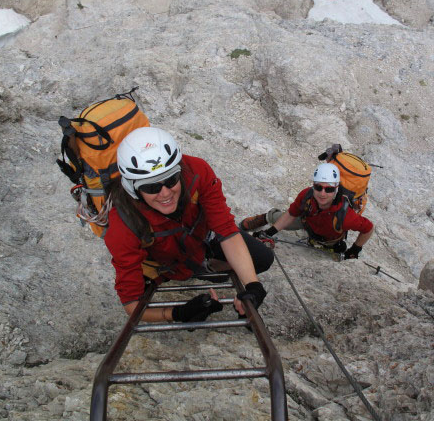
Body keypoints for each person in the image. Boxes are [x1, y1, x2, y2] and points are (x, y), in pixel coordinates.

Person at [104, 127, 273, 323]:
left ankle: (209, 267)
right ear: (133, 189)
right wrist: (177, 314)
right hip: (165, 263)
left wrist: (253, 286)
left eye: (171, 180)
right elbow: (131, 305)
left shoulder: (197, 171)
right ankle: (202, 269)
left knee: (263, 258)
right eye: (151, 187)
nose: (165, 193)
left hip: (200, 241)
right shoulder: (123, 225)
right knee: (212, 272)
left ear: (180, 171)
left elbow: (226, 231)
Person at [240, 163, 374, 259]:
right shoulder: (307, 195)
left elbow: (368, 228)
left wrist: (356, 248)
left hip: (328, 237)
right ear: (313, 185)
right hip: (308, 221)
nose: (322, 193)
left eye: (329, 189)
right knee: (278, 218)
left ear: (336, 189)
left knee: (335, 248)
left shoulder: (345, 215)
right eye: (318, 187)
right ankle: (265, 218)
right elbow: (292, 214)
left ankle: (317, 241)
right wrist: (270, 232)